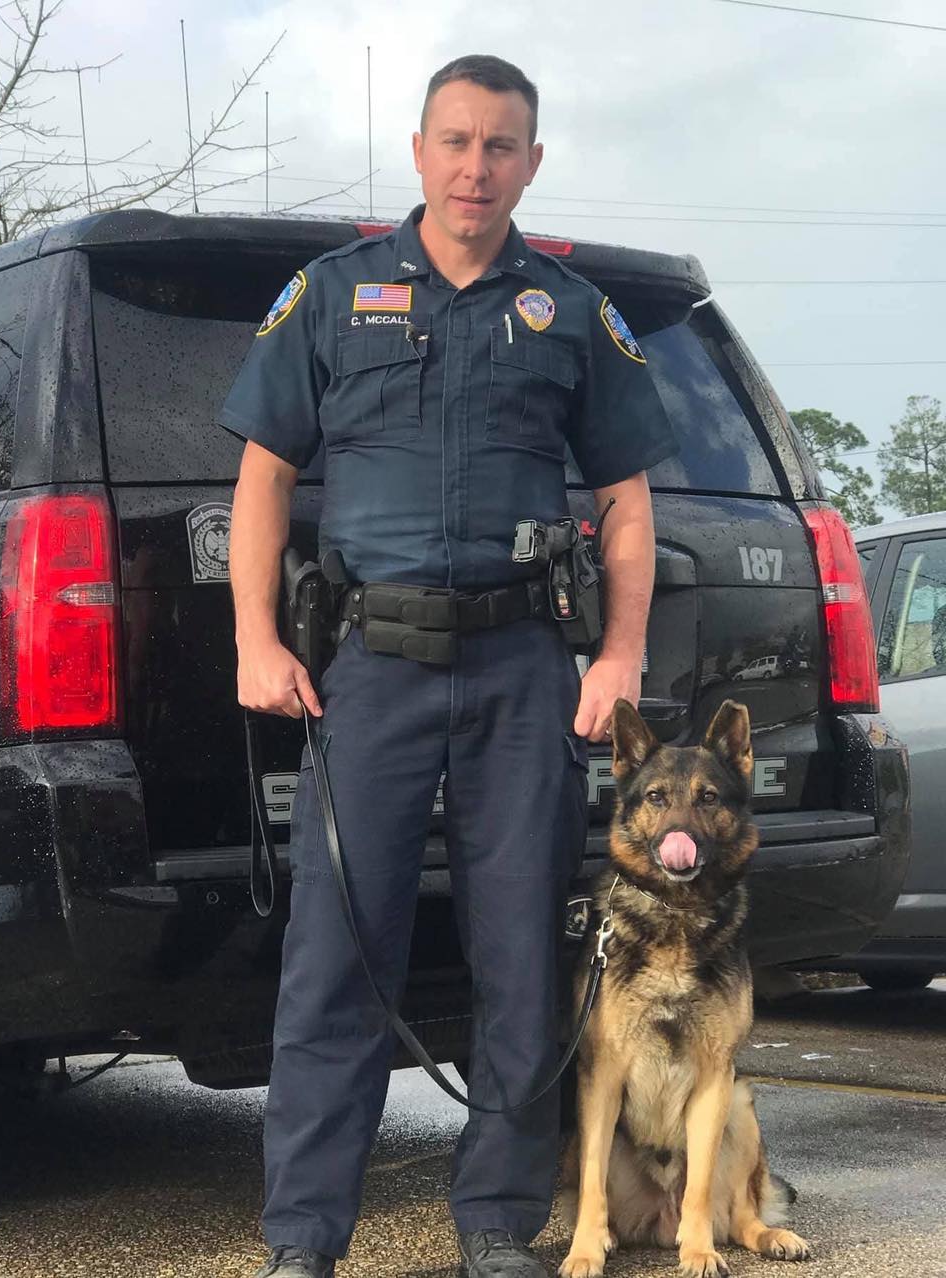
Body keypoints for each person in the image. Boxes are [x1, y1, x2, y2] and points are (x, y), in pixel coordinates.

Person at [220, 55, 679, 1278]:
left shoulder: (572, 312)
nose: (477, 167)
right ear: (419, 151)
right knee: (336, 955)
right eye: (457, 142)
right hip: (369, 668)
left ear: (533, 162)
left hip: (526, 670)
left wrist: (619, 655)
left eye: (502, 146)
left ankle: (494, 1228)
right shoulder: (332, 294)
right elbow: (264, 480)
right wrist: (256, 640)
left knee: (522, 952)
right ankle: (304, 1242)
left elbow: (626, 502)